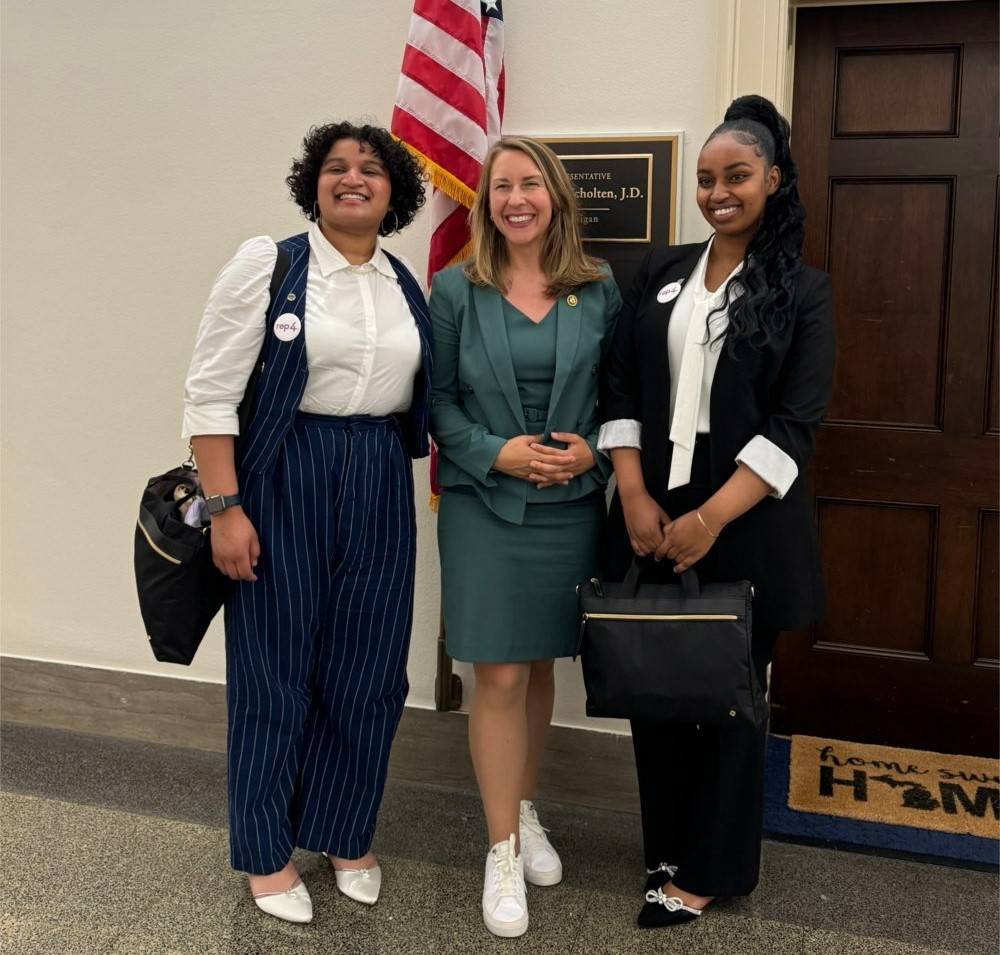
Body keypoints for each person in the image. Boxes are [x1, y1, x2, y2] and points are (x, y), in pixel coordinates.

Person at [182, 121, 430, 924]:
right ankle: (263, 850)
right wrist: (226, 508)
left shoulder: (403, 284)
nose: (353, 179)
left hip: (382, 475)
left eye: (371, 170)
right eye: (336, 168)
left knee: (369, 671)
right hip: (285, 472)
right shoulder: (273, 264)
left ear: (395, 193)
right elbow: (210, 396)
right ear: (312, 184)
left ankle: (344, 831)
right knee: (274, 668)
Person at [599, 95, 835, 928]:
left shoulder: (803, 291)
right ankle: (666, 843)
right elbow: (620, 384)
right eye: (705, 179)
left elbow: (794, 425)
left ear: (772, 179)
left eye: (736, 176)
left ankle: (713, 869)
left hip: (745, 522)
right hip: (649, 511)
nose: (717, 192)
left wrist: (712, 518)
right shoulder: (659, 273)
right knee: (654, 682)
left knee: (731, 698)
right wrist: (632, 490)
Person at [429, 137, 621, 938]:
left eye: (530, 183)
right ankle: (500, 848)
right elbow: (436, 403)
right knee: (498, 672)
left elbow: (624, 393)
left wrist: (596, 450)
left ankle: (524, 805)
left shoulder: (600, 287)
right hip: (485, 507)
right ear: (484, 201)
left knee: (539, 664)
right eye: (501, 185)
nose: (516, 197)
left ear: (556, 196)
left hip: (571, 507)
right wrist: (495, 453)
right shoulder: (454, 289)